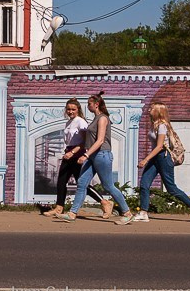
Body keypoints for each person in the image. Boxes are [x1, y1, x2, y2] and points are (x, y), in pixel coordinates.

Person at [54, 93, 135, 225]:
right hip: (93, 156)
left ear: (96, 104)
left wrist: (85, 155)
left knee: (108, 186)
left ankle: (127, 213)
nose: (88, 106)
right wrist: (88, 155)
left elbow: (100, 140)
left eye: (89, 103)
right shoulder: (96, 118)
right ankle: (72, 213)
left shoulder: (102, 118)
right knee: (81, 183)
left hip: (102, 155)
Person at [131, 103, 190, 223]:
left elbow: (159, 147)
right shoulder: (154, 125)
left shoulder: (162, 126)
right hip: (156, 158)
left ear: (158, 111)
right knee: (144, 184)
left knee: (171, 188)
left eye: (152, 108)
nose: (149, 110)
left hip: (164, 158)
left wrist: (145, 159)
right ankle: (143, 212)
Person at [42, 98, 114, 218]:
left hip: (77, 153)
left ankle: (104, 202)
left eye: (73, 109)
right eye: (68, 109)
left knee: (82, 182)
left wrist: (74, 152)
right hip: (69, 152)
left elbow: (86, 141)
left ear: (78, 110)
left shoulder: (80, 122)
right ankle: (59, 208)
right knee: (61, 181)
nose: (70, 111)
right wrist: (68, 152)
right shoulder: (69, 122)